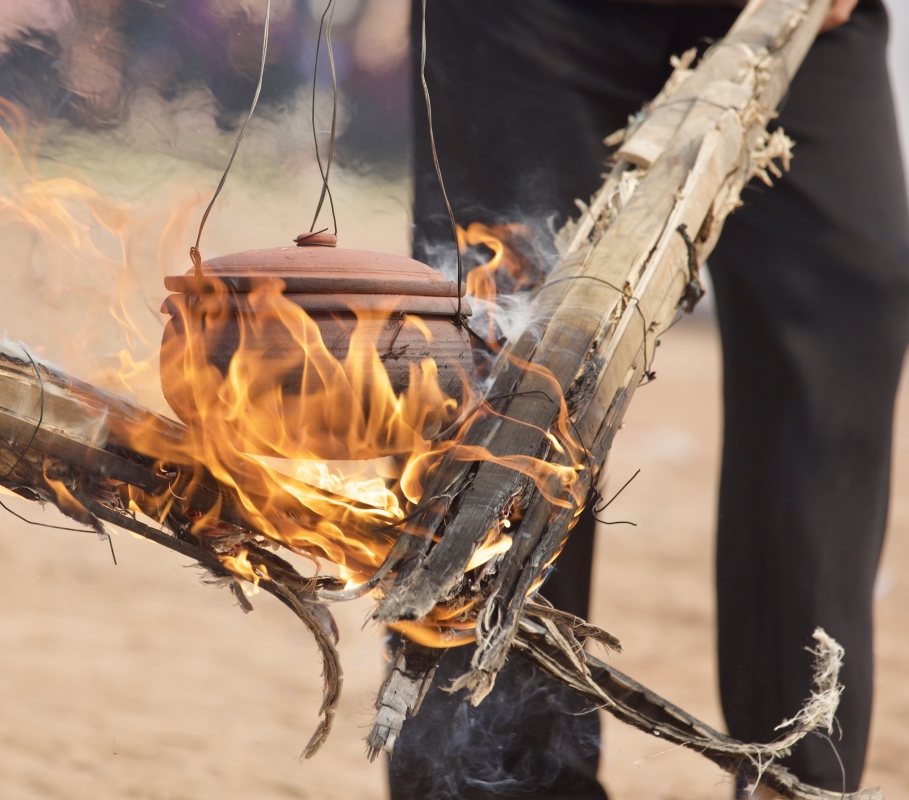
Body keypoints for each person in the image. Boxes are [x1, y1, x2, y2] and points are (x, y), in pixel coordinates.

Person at [387, 0, 909, 797]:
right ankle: (498, 777)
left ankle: (794, 775)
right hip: (525, 22)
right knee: (509, 340)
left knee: (850, 287)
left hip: (793, 19)